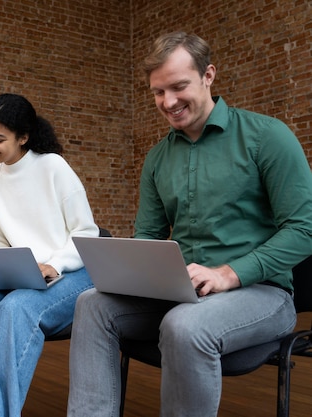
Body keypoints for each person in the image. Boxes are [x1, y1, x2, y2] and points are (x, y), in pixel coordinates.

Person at [67, 31, 312, 417]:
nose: (168, 102)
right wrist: (127, 274)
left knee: (184, 325)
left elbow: (304, 230)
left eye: (179, 87)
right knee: (91, 304)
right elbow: (147, 238)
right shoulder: (157, 159)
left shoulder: (268, 137)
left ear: (208, 75)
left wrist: (229, 274)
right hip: (183, 292)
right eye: (157, 92)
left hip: (263, 295)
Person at [0, 93, 99, 417]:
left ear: (23, 137)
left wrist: (53, 264)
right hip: (21, 277)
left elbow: (86, 233)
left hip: (71, 273)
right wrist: (4, 266)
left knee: (16, 309)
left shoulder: (53, 167)